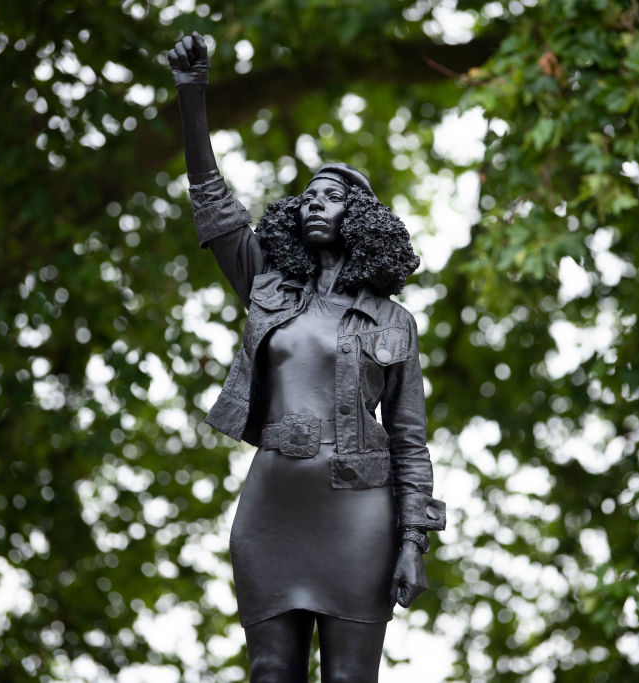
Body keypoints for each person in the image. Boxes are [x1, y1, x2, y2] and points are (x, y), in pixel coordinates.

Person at [167, 33, 446, 682]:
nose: (315, 201)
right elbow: (213, 203)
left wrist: (413, 541)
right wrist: (193, 96)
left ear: (364, 219)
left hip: (361, 513)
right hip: (272, 511)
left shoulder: (393, 322)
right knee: (269, 672)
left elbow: (411, 441)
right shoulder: (267, 284)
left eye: (333, 195)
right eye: (310, 195)